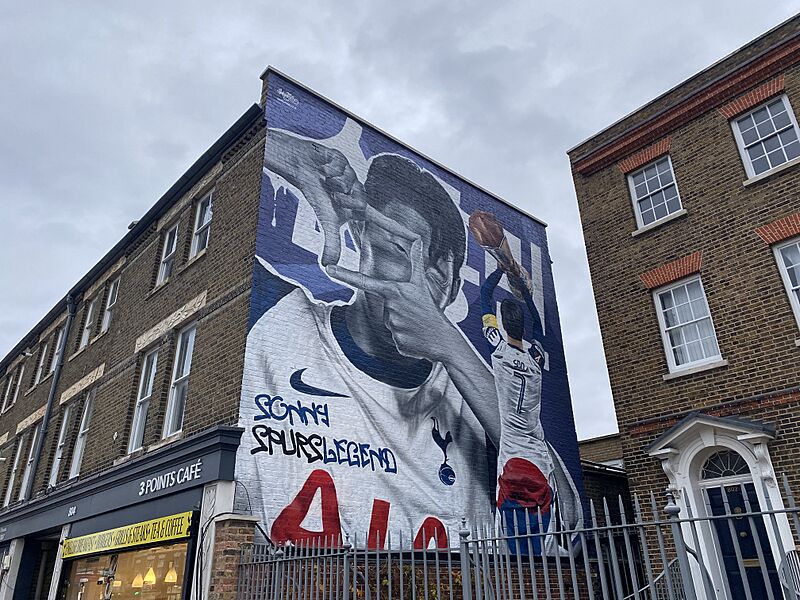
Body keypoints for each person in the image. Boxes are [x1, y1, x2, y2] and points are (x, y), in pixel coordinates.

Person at [238, 129, 503, 547]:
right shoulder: (278, 316)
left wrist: (451, 346)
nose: (421, 290)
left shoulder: (474, 399)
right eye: (401, 253)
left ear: (451, 290)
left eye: (438, 275)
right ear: (361, 240)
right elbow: (213, 264)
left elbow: (566, 517)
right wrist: (287, 152)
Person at [480, 265, 555, 555]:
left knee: (509, 526)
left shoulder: (498, 348)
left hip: (511, 450)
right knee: (542, 521)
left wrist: (501, 269)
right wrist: (521, 285)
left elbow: (485, 297)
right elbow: (537, 320)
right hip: (538, 450)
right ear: (522, 327)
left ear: (500, 322)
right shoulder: (536, 356)